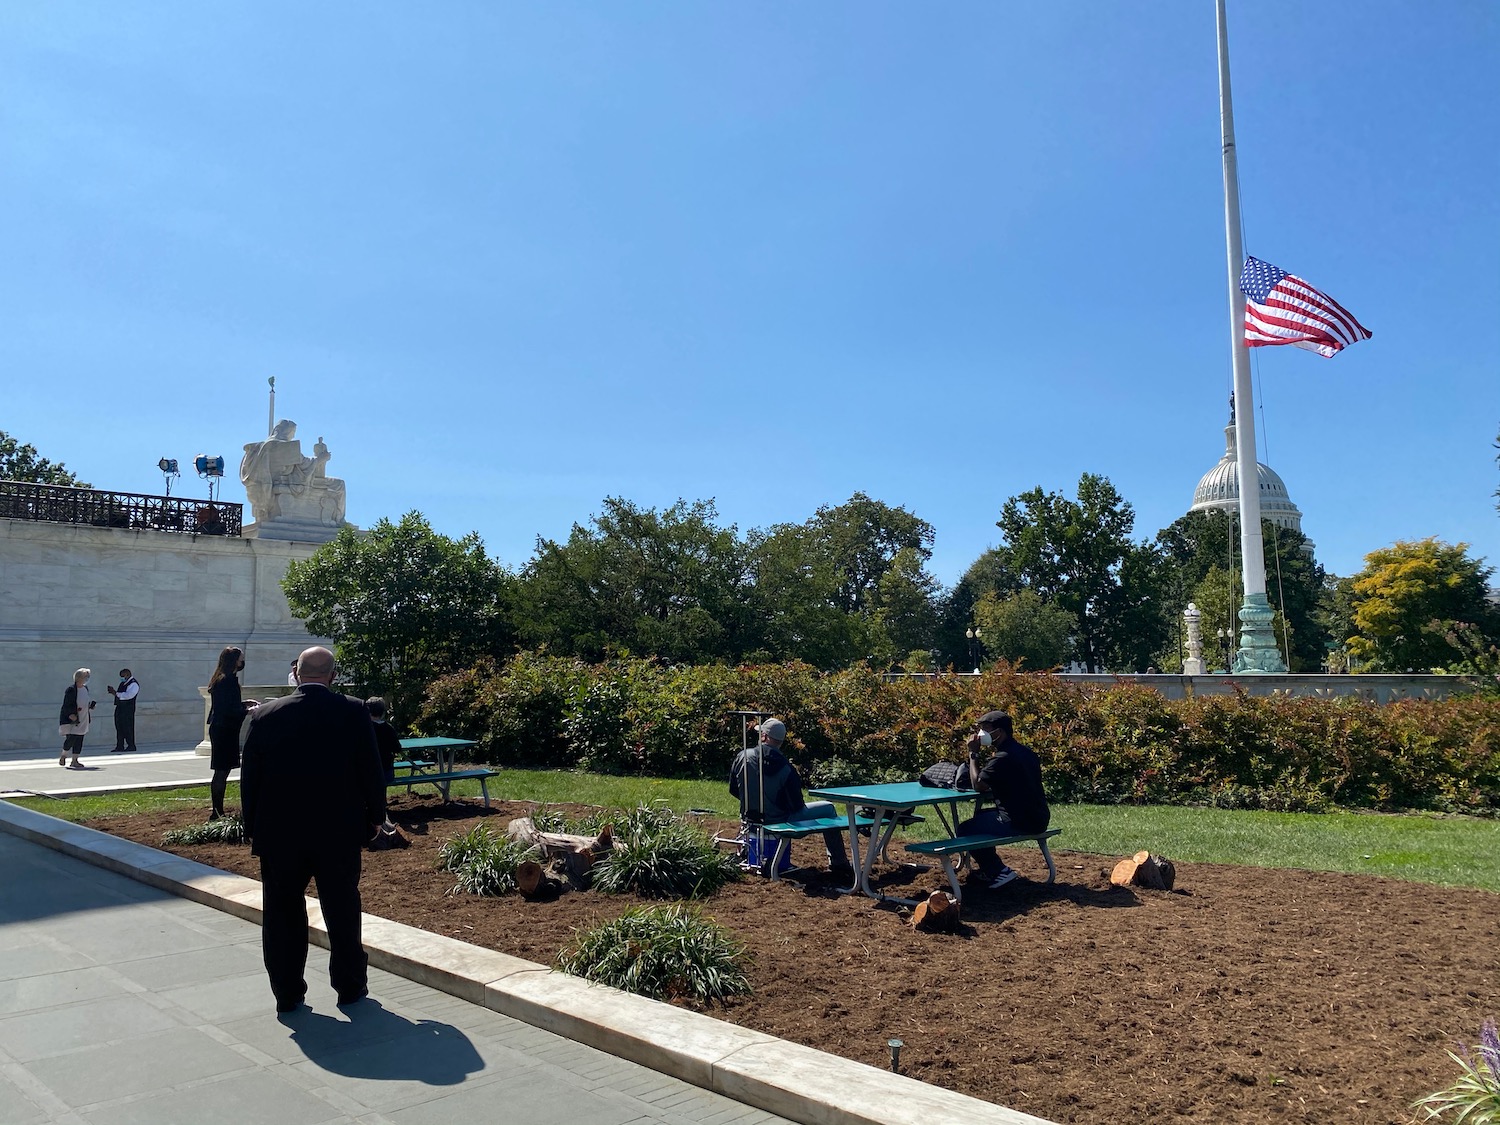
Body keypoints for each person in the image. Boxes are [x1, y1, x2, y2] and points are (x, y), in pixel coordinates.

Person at [241, 646, 386, 1013]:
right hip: (337, 831)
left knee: (281, 913)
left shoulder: (264, 715)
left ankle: (287, 993)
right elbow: (371, 769)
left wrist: (252, 826)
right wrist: (376, 816)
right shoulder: (353, 711)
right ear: (333, 675)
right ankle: (350, 986)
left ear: (297, 673)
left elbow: (250, 779)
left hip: (280, 832)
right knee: (342, 908)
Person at [729, 718, 850, 873]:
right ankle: (839, 863)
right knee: (828, 808)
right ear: (780, 741)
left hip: (750, 819)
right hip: (780, 820)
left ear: (764, 736)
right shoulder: (786, 768)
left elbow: (734, 789)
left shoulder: (743, 756)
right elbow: (796, 806)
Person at [958, 711, 1050, 889]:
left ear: (999, 732)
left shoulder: (1002, 758)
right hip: (1039, 817)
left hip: (1019, 822)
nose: (979, 734)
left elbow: (978, 785)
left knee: (966, 829)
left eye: (985, 729)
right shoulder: (1026, 753)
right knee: (981, 817)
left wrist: (973, 754)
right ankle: (989, 868)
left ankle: (998, 871)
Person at [207, 646, 257, 820]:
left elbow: (228, 704)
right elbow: (227, 710)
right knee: (221, 771)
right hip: (224, 729)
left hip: (222, 728)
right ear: (234, 661)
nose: (243, 662)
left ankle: (218, 811)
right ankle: (217, 812)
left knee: (222, 770)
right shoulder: (227, 680)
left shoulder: (223, 679)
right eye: (241, 659)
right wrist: (247, 711)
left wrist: (243, 704)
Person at [58, 668, 95, 769]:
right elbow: (67, 704)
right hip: (73, 719)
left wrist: (90, 706)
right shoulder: (71, 690)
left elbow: (85, 702)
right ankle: (64, 755)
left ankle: (75, 760)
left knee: (79, 739)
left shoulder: (85, 689)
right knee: (71, 738)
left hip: (83, 717)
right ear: (79, 678)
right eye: (85, 677)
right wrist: (71, 714)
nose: (87, 678)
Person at [365, 697, 401, 787]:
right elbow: (397, 748)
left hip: (368, 771)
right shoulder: (389, 729)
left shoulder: (365, 729)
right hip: (386, 772)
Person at [108, 668, 139, 753]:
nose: (121, 678)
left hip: (127, 709)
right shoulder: (123, 683)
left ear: (127, 675)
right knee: (119, 727)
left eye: (123, 676)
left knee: (128, 727)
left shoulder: (133, 684)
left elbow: (128, 695)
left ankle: (131, 745)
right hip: (120, 708)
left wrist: (115, 693)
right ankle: (120, 745)